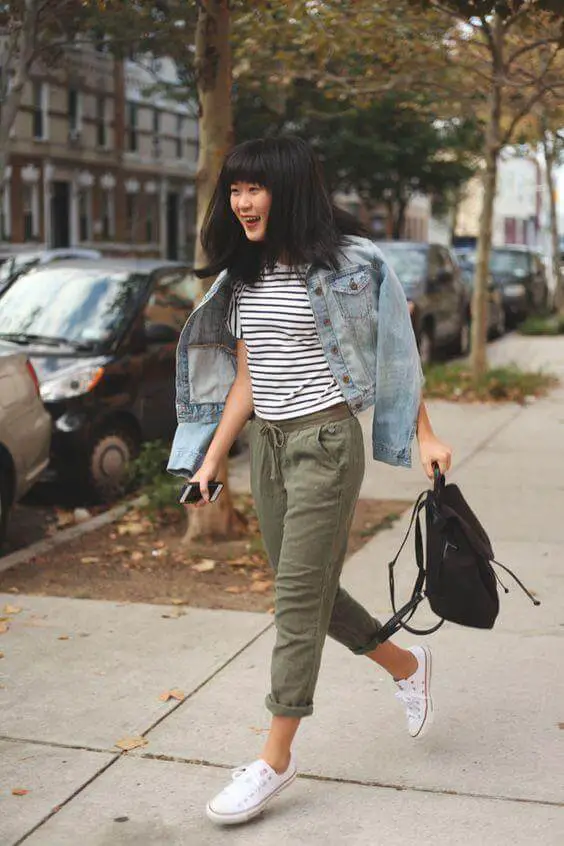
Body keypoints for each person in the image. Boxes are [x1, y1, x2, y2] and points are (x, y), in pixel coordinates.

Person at [167, 136, 452, 826]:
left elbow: (394, 353)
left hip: (325, 445)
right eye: (234, 190)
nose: (241, 202)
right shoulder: (244, 272)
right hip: (267, 446)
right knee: (309, 591)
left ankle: (275, 758)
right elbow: (246, 376)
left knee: (295, 603)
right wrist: (212, 459)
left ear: (289, 190)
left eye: (254, 189)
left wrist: (425, 434)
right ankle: (405, 666)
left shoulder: (353, 265)